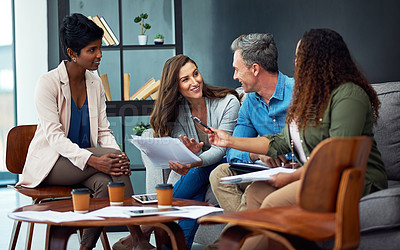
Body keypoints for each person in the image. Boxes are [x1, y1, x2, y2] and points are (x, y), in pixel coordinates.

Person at [208, 28, 388, 249]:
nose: (295, 63)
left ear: (317, 60)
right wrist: (228, 140)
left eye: (299, 57)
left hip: (352, 180)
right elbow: (277, 142)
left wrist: (291, 178)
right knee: (256, 192)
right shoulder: (312, 97)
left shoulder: (349, 95)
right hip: (317, 176)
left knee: (273, 201)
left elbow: (338, 156)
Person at [16, 13, 138, 250]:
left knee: (106, 182)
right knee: (111, 164)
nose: (99, 55)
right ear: (72, 53)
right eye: (91, 50)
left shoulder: (95, 83)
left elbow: (103, 130)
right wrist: (96, 159)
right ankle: (138, 239)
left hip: (84, 163)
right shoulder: (47, 83)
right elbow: (54, 136)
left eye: (99, 48)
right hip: (53, 164)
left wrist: (116, 155)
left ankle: (85, 247)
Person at [113, 54, 240, 249]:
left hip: (225, 162)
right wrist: (189, 153)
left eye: (195, 74)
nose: (195, 82)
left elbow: (221, 150)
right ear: (176, 87)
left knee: (196, 172)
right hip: (199, 166)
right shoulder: (180, 110)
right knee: (194, 195)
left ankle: (148, 226)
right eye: (185, 79)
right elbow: (183, 148)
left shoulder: (228, 103)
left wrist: (194, 159)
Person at [208, 33, 295, 216]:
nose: (234, 76)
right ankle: (250, 229)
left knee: (255, 189)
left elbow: (310, 142)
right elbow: (233, 152)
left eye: (237, 70)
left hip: (294, 171)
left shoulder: (298, 93)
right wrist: (257, 153)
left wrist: (275, 153)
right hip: (264, 169)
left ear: (255, 69)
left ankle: (235, 239)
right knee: (219, 174)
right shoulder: (250, 102)